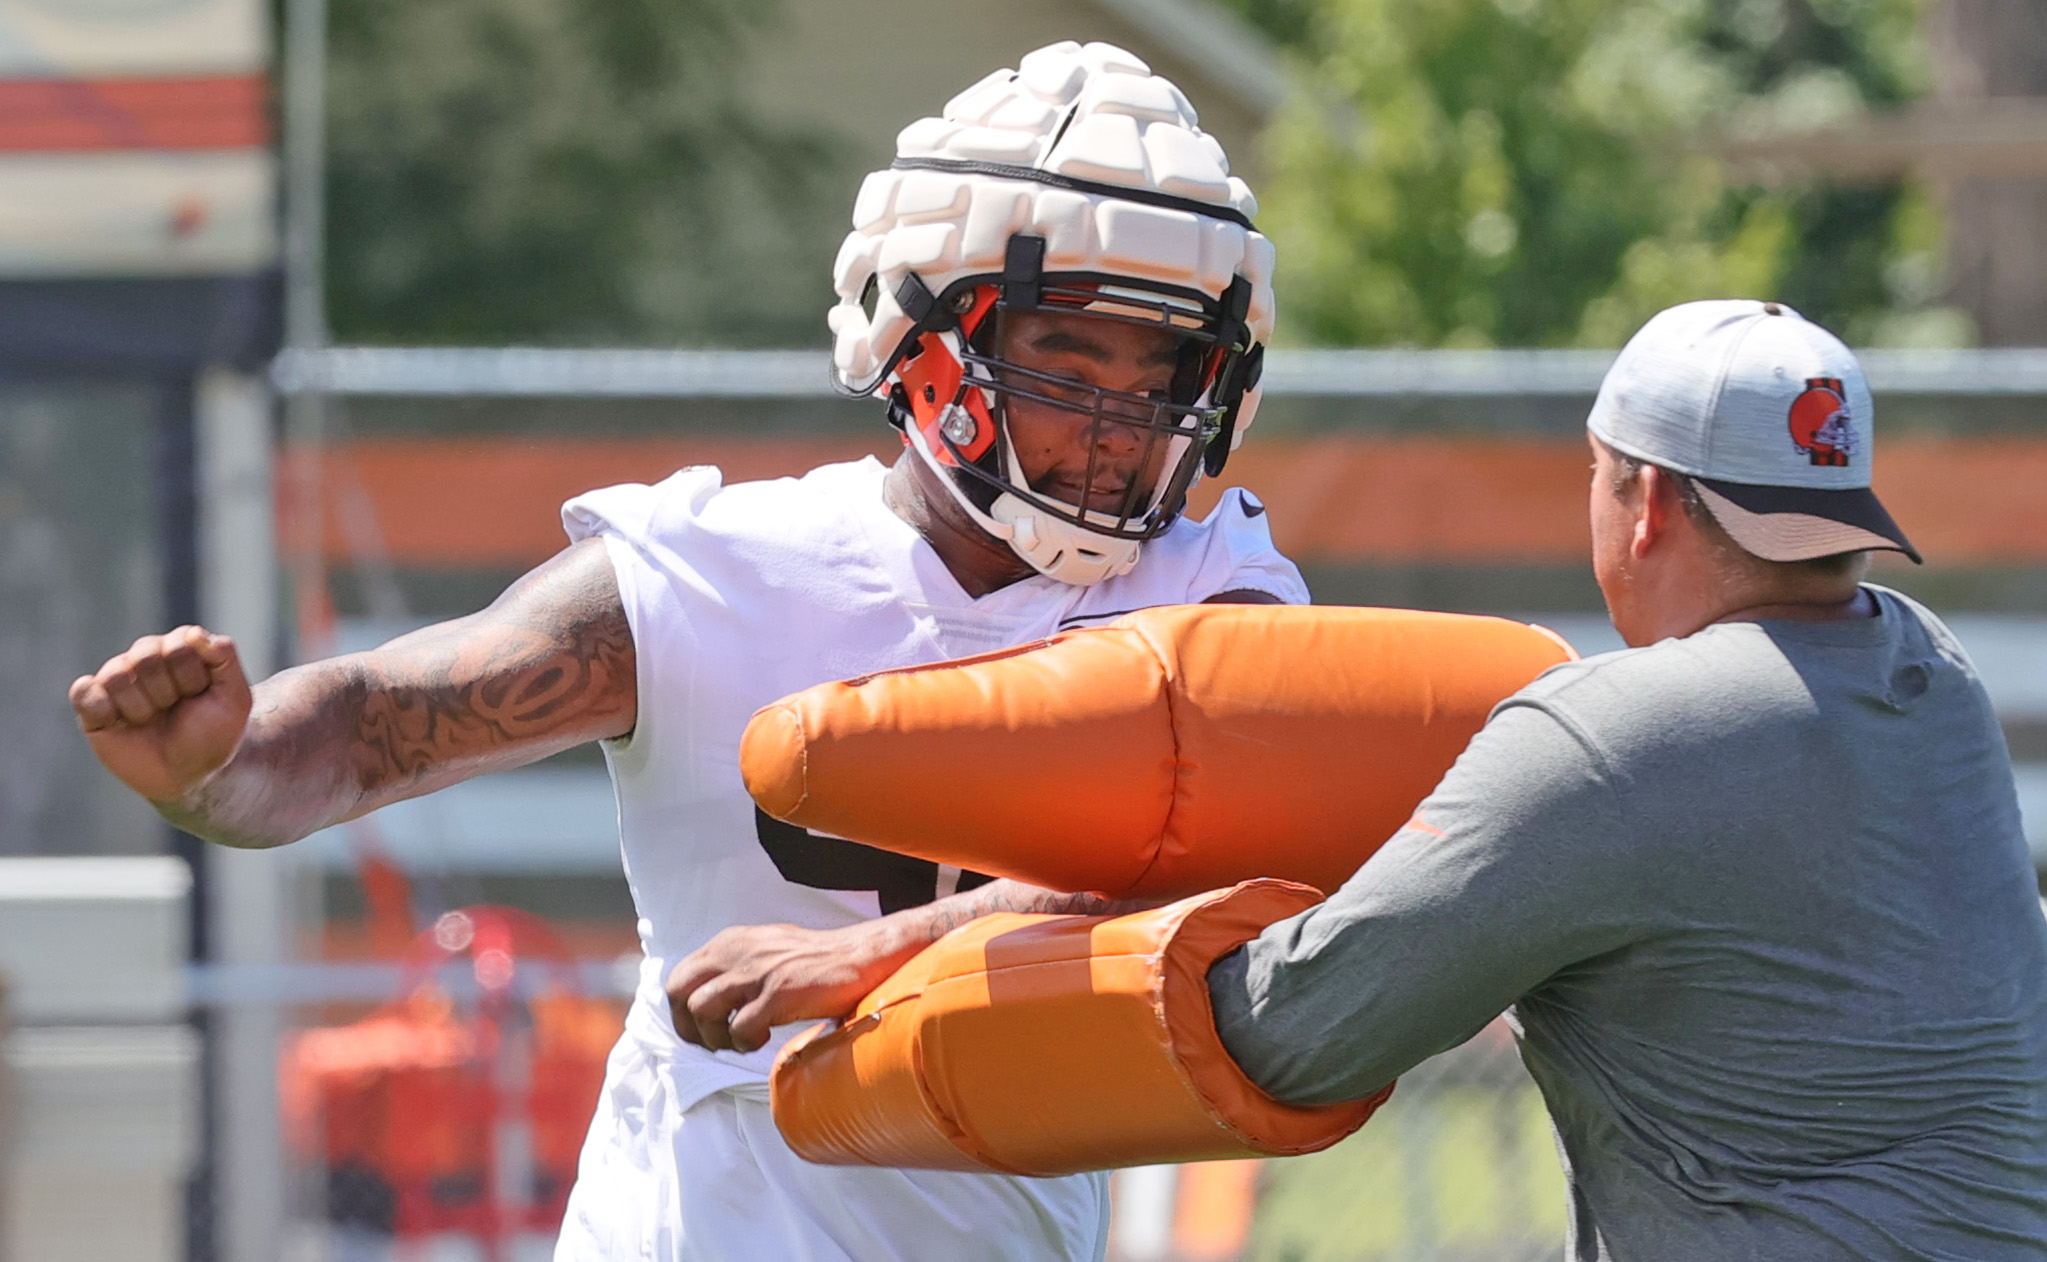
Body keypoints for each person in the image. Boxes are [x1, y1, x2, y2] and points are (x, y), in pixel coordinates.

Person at [66, 40, 1300, 1262]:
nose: (1118, 423)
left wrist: (859, 957)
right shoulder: (712, 569)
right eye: (1066, 361)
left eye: (1161, 374)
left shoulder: (1212, 591)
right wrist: (215, 764)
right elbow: (372, 724)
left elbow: (1210, 852)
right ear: (924, 338)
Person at [1205, 299, 2047, 1259]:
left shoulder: (1609, 740)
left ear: (1643, 502)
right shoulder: (1934, 678)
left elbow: (1297, 1035)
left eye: (1594, 475)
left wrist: (1076, 907)